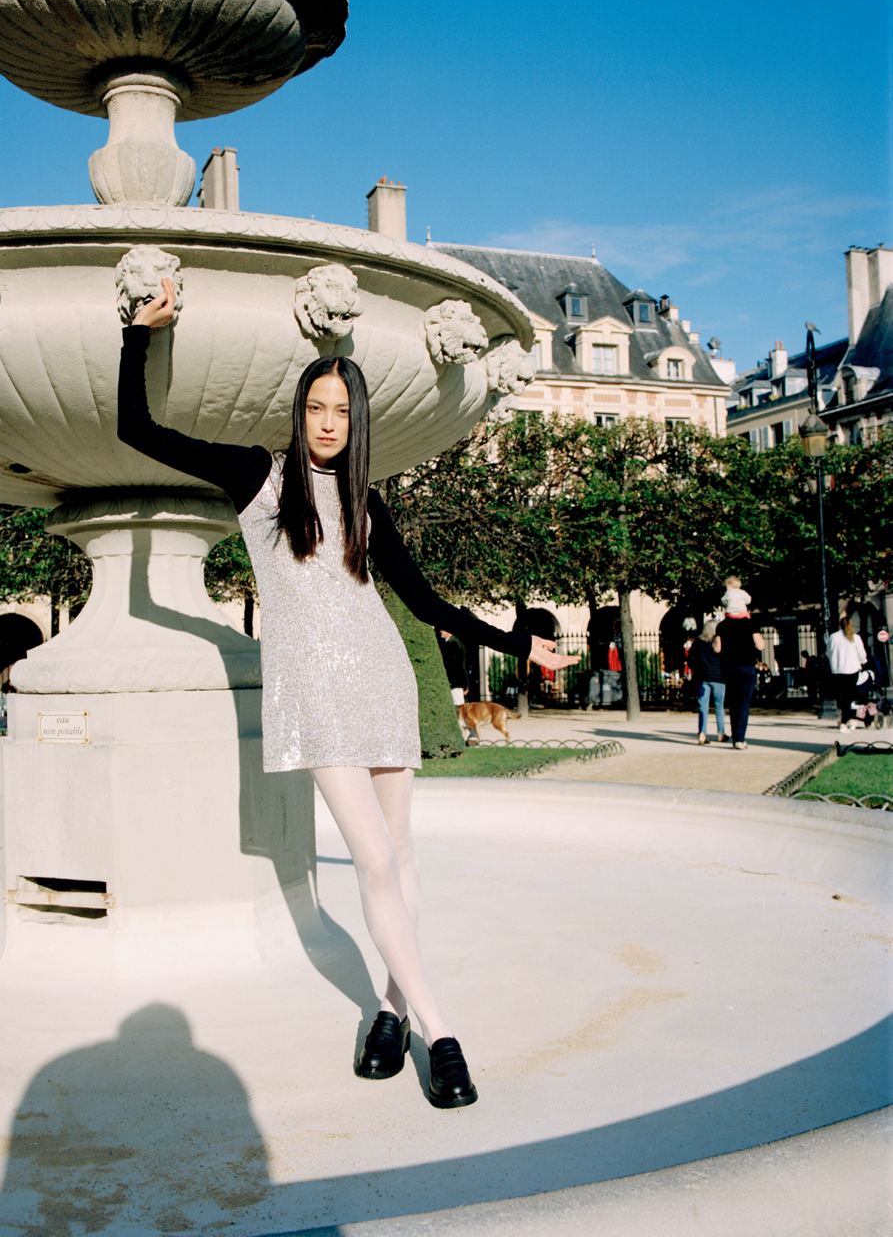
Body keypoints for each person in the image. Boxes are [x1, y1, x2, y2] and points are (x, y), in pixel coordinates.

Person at [118, 278, 578, 1110]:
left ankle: (389, 1013)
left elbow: (428, 603)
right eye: (316, 407)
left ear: (357, 421)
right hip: (316, 697)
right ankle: (440, 1033)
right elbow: (136, 428)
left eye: (341, 411)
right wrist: (137, 334)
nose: (327, 423)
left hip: (379, 680)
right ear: (298, 410)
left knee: (397, 858)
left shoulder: (364, 500)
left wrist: (517, 642)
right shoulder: (256, 477)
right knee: (370, 857)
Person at [715, 610, 764, 750]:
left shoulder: (722, 626)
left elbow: (717, 648)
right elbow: (760, 645)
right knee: (744, 702)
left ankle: (735, 735)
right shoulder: (750, 624)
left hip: (729, 667)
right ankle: (740, 738)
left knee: (733, 702)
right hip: (747, 666)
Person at [687, 620, 726, 744]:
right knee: (719, 706)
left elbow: (690, 660)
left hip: (703, 677)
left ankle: (702, 734)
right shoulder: (719, 642)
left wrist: (698, 671)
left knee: (703, 707)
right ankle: (721, 733)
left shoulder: (698, 643)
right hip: (719, 677)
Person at [827, 615, 868, 732]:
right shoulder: (855, 638)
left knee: (841, 697)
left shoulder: (833, 637)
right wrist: (863, 662)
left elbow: (828, 652)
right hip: (852, 671)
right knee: (848, 697)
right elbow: (862, 655)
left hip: (837, 671)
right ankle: (845, 722)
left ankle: (847, 719)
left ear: (840, 625)